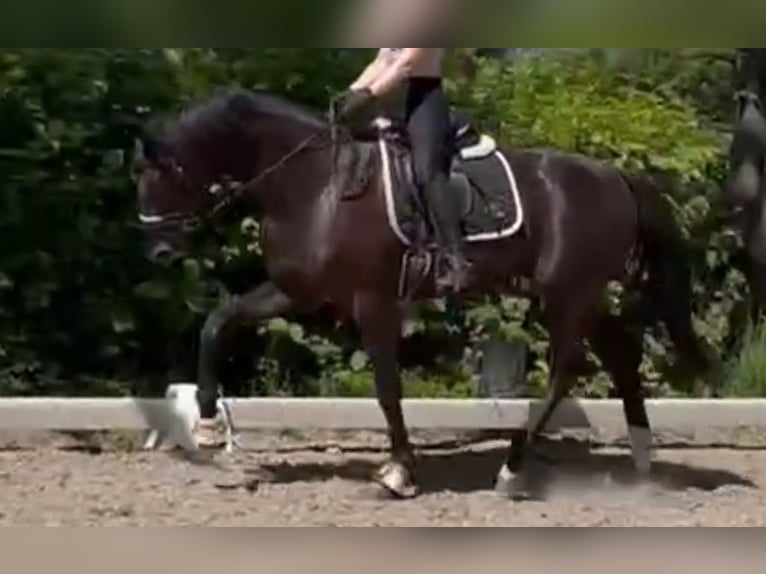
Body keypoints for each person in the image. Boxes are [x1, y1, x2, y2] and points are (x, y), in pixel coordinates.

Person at [335, 48, 470, 293]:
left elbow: (406, 64)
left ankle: (456, 257)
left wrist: (368, 95)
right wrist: (350, 93)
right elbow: (380, 62)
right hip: (390, 102)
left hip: (423, 100)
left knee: (425, 170)